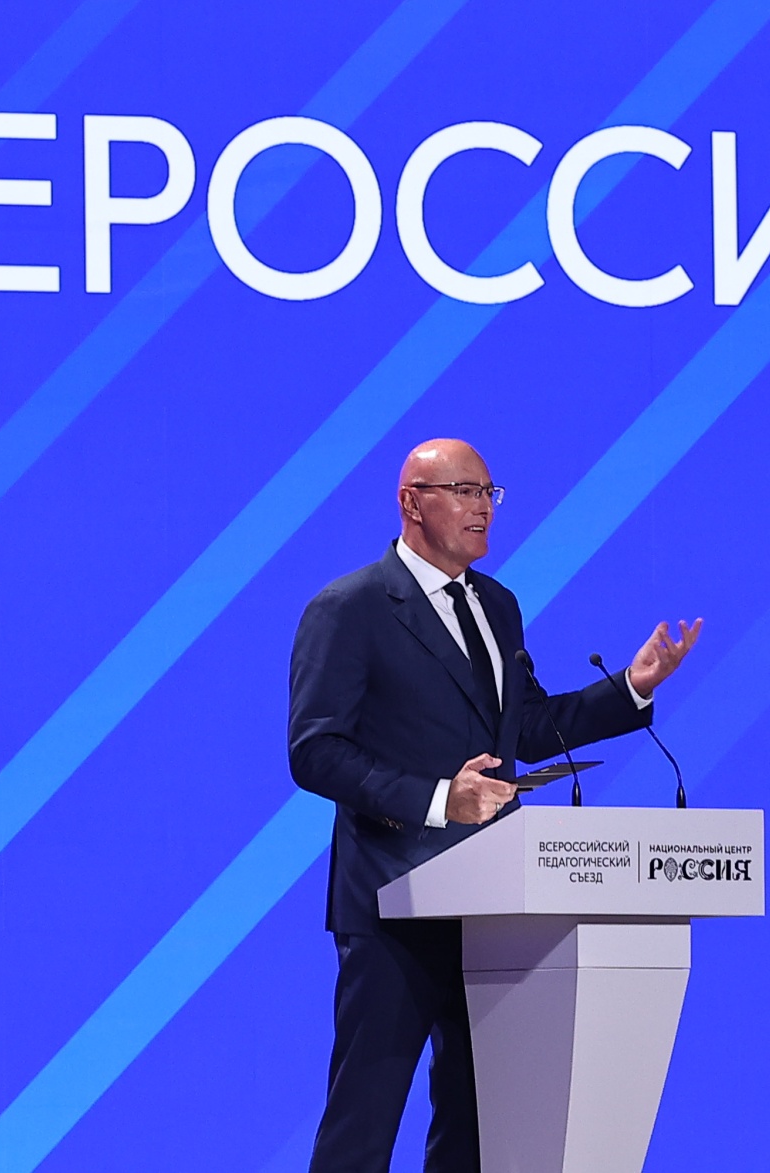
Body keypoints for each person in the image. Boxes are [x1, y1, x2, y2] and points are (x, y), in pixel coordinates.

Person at [288, 438, 701, 1173]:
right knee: (363, 1126)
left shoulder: (497, 605)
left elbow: (529, 728)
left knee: (476, 1127)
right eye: (464, 491)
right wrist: (440, 798)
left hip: (496, 907)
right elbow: (315, 751)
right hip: (394, 905)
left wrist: (631, 687)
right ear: (412, 502)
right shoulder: (350, 607)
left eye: (488, 492)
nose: (482, 507)